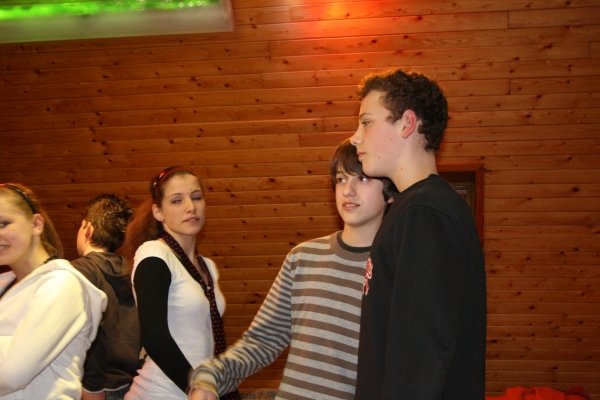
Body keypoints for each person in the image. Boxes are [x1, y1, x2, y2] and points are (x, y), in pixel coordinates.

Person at [187, 139, 398, 400]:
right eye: (341, 179)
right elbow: (263, 341)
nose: (348, 191)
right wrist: (210, 378)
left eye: (363, 179)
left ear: (390, 192)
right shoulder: (302, 258)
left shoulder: (397, 269)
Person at [349, 67, 487, 399]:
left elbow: (419, 358)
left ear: (407, 124)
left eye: (366, 122)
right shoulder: (411, 208)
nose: (355, 137)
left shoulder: (426, 213)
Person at [122, 167, 239, 400]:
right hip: (160, 393)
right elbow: (154, 336)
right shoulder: (154, 255)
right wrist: (194, 386)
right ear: (158, 212)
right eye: (177, 200)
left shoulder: (207, 266)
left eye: (196, 197)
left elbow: (211, 340)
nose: (191, 207)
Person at [0, 183, 107, 399]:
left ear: (36, 224)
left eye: (3, 223)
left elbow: (11, 374)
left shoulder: (62, 284)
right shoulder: (5, 283)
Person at [71, 194, 140, 400]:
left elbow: (87, 332)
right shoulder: (133, 270)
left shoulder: (78, 272)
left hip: (94, 389)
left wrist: (92, 387)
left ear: (88, 228)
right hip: (131, 385)